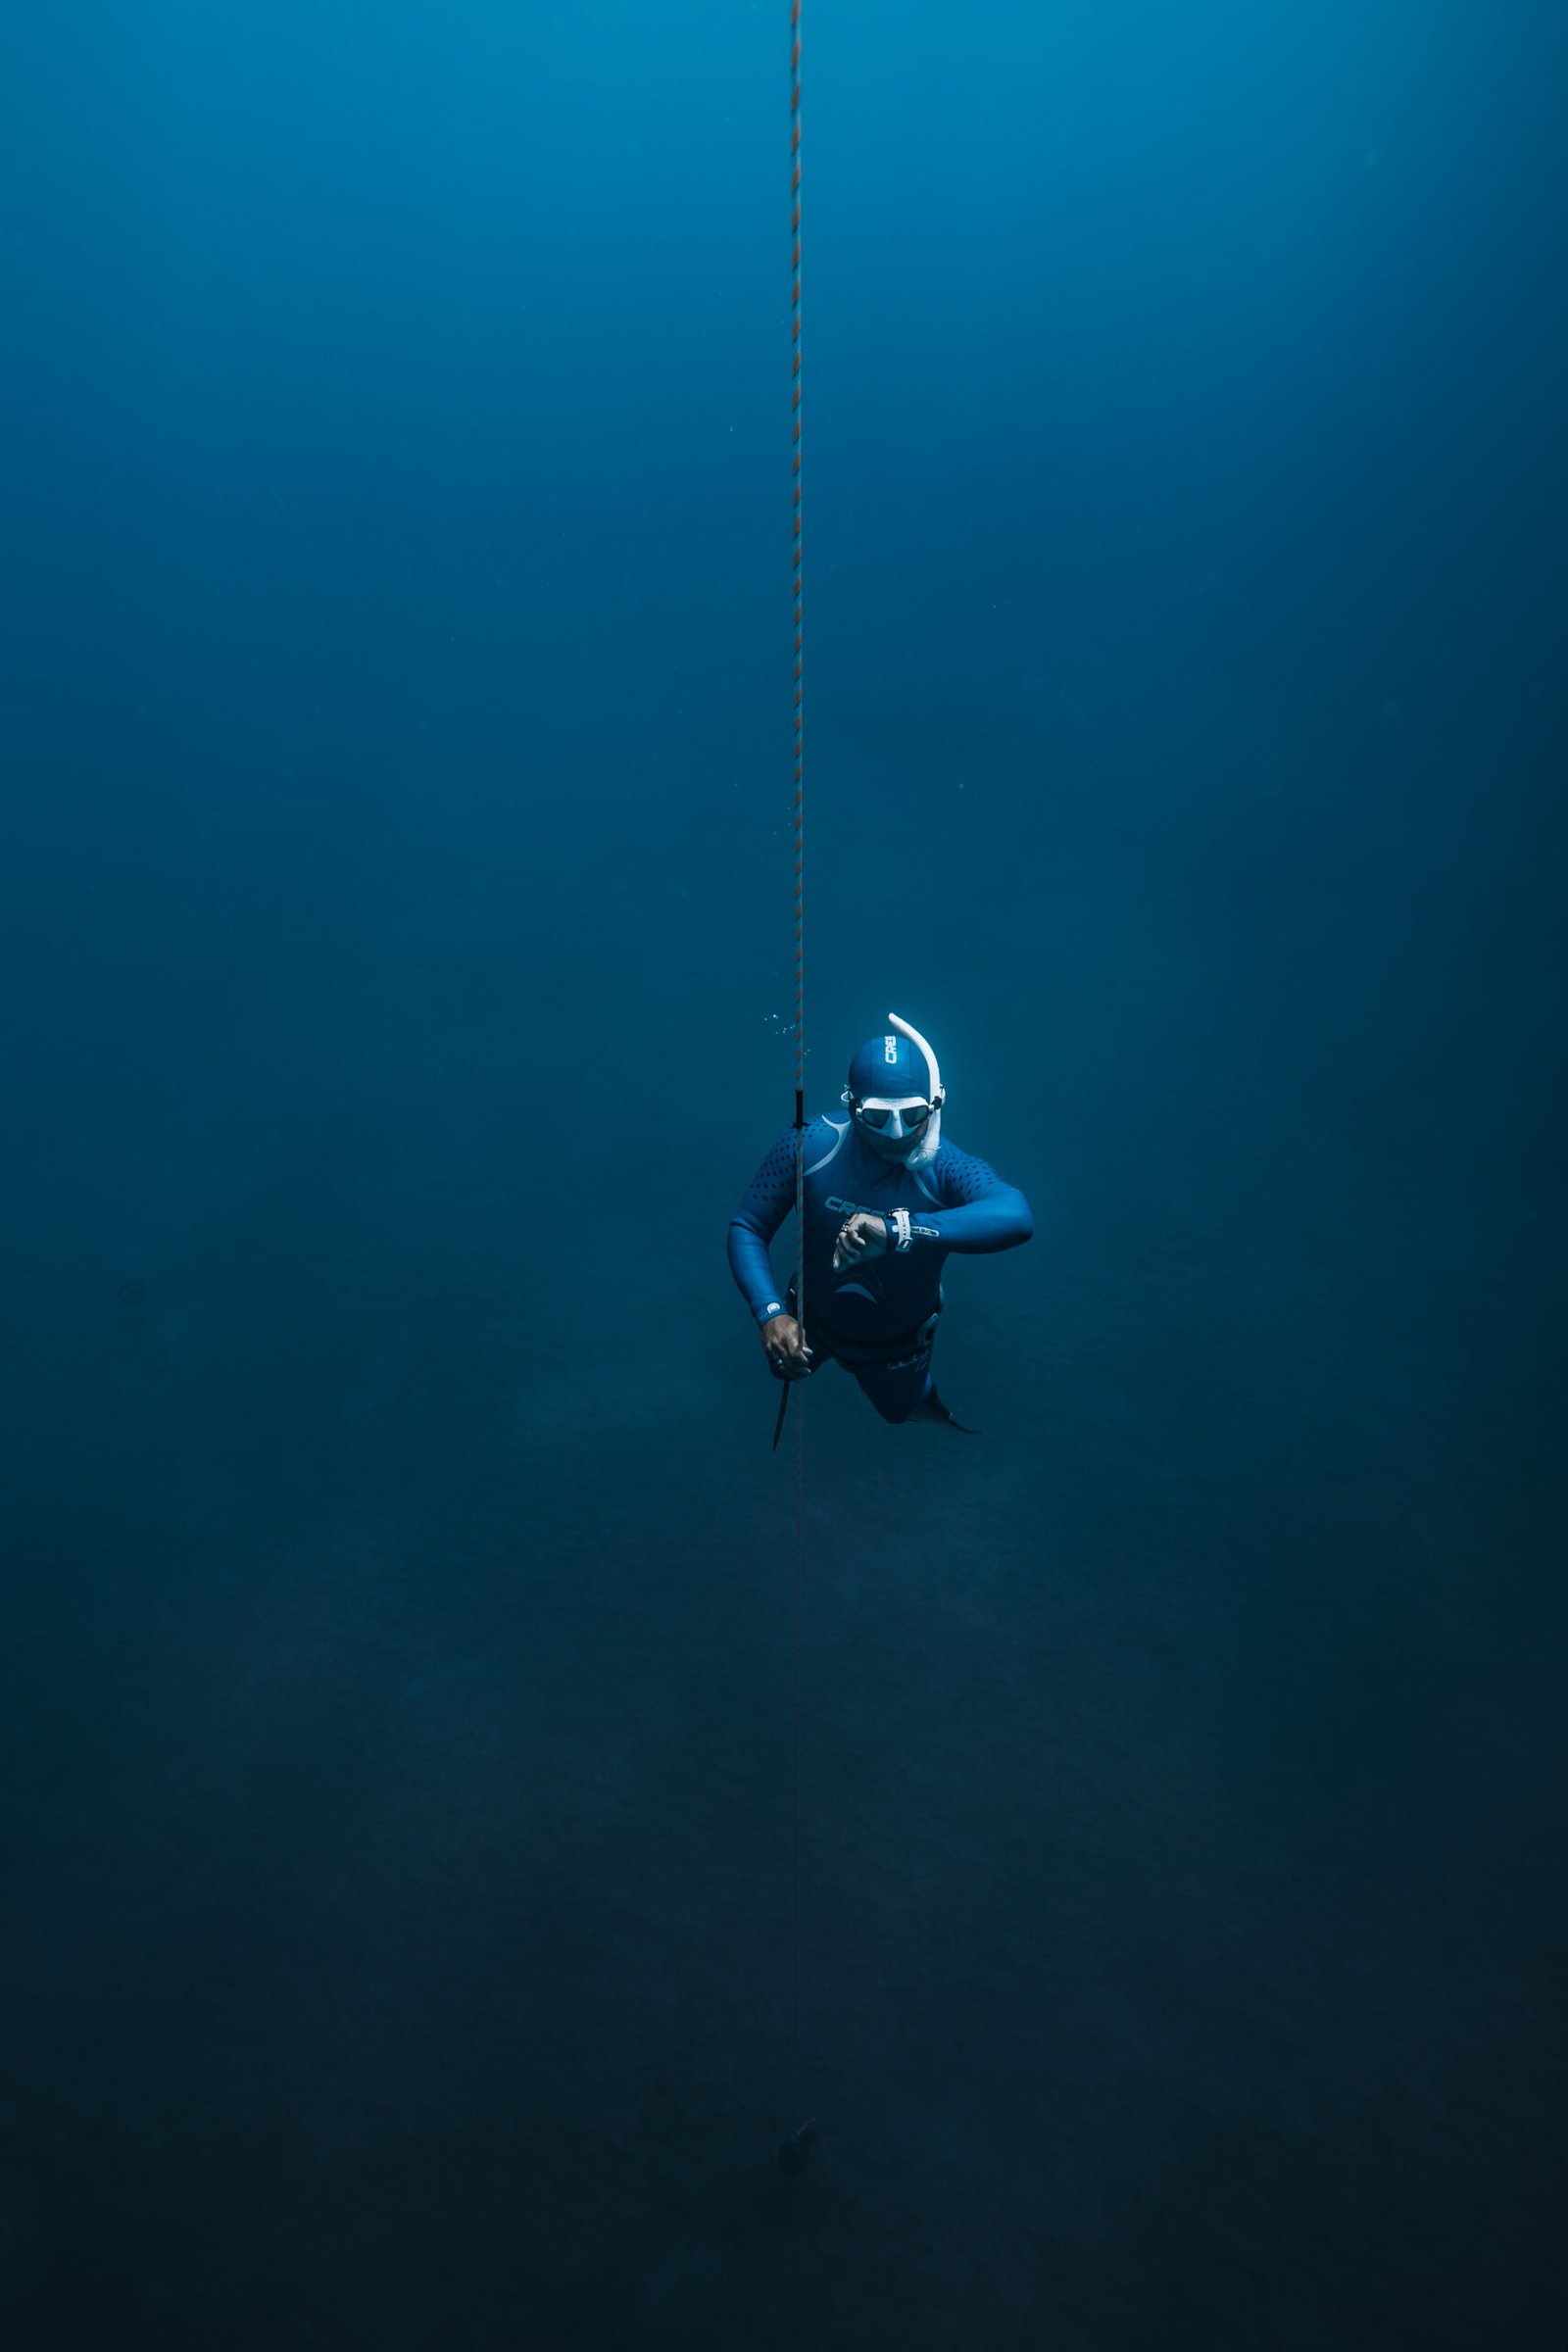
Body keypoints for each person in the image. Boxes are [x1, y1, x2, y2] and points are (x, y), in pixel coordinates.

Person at [727, 1014, 1033, 1434]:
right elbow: (748, 1227)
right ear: (851, 1105)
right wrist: (771, 1314)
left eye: (912, 1115)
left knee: (898, 1411)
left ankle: (925, 1390)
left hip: (897, 1346)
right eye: (876, 1116)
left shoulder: (945, 1166)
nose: (895, 1133)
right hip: (808, 1317)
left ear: (935, 1104)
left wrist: (899, 1231)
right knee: (784, 1371)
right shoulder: (808, 1143)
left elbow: (1017, 1216)